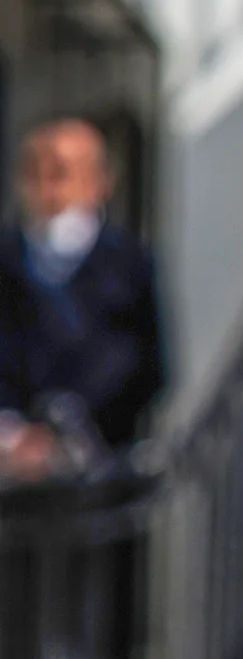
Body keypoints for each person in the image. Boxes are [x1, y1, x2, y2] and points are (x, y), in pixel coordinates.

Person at [1, 118, 164, 471]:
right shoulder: (8, 262)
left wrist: (74, 425)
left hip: (99, 467)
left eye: (60, 173)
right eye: (33, 172)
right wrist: (14, 433)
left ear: (99, 181)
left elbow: (142, 363)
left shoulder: (125, 265)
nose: (46, 188)